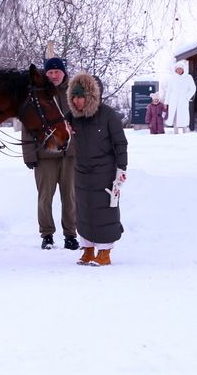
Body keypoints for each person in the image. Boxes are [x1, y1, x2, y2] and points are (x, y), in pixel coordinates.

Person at [66, 72, 128, 266]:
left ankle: (104, 253)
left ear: (91, 96)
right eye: (74, 97)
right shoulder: (72, 119)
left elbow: (120, 143)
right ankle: (88, 250)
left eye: (81, 96)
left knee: (105, 211)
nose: (77, 101)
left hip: (105, 172)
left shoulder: (108, 115)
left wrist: (121, 169)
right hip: (81, 172)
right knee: (84, 211)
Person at [22, 57, 78, 250]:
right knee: (45, 198)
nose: (54, 75)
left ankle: (70, 235)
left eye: (57, 72)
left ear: (64, 73)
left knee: (69, 197)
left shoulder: (73, 93)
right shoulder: (38, 94)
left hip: (70, 155)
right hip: (45, 155)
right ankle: (47, 235)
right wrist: (29, 155)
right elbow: (27, 126)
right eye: (50, 72)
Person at [163, 61, 196, 135]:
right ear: (175, 70)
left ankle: (184, 131)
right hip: (173, 100)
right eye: (177, 69)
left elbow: (193, 89)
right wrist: (166, 102)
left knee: (183, 115)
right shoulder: (172, 78)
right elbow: (169, 91)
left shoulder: (188, 77)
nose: (179, 70)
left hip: (183, 100)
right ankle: (176, 132)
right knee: (174, 115)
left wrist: (187, 97)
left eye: (180, 69)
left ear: (183, 69)